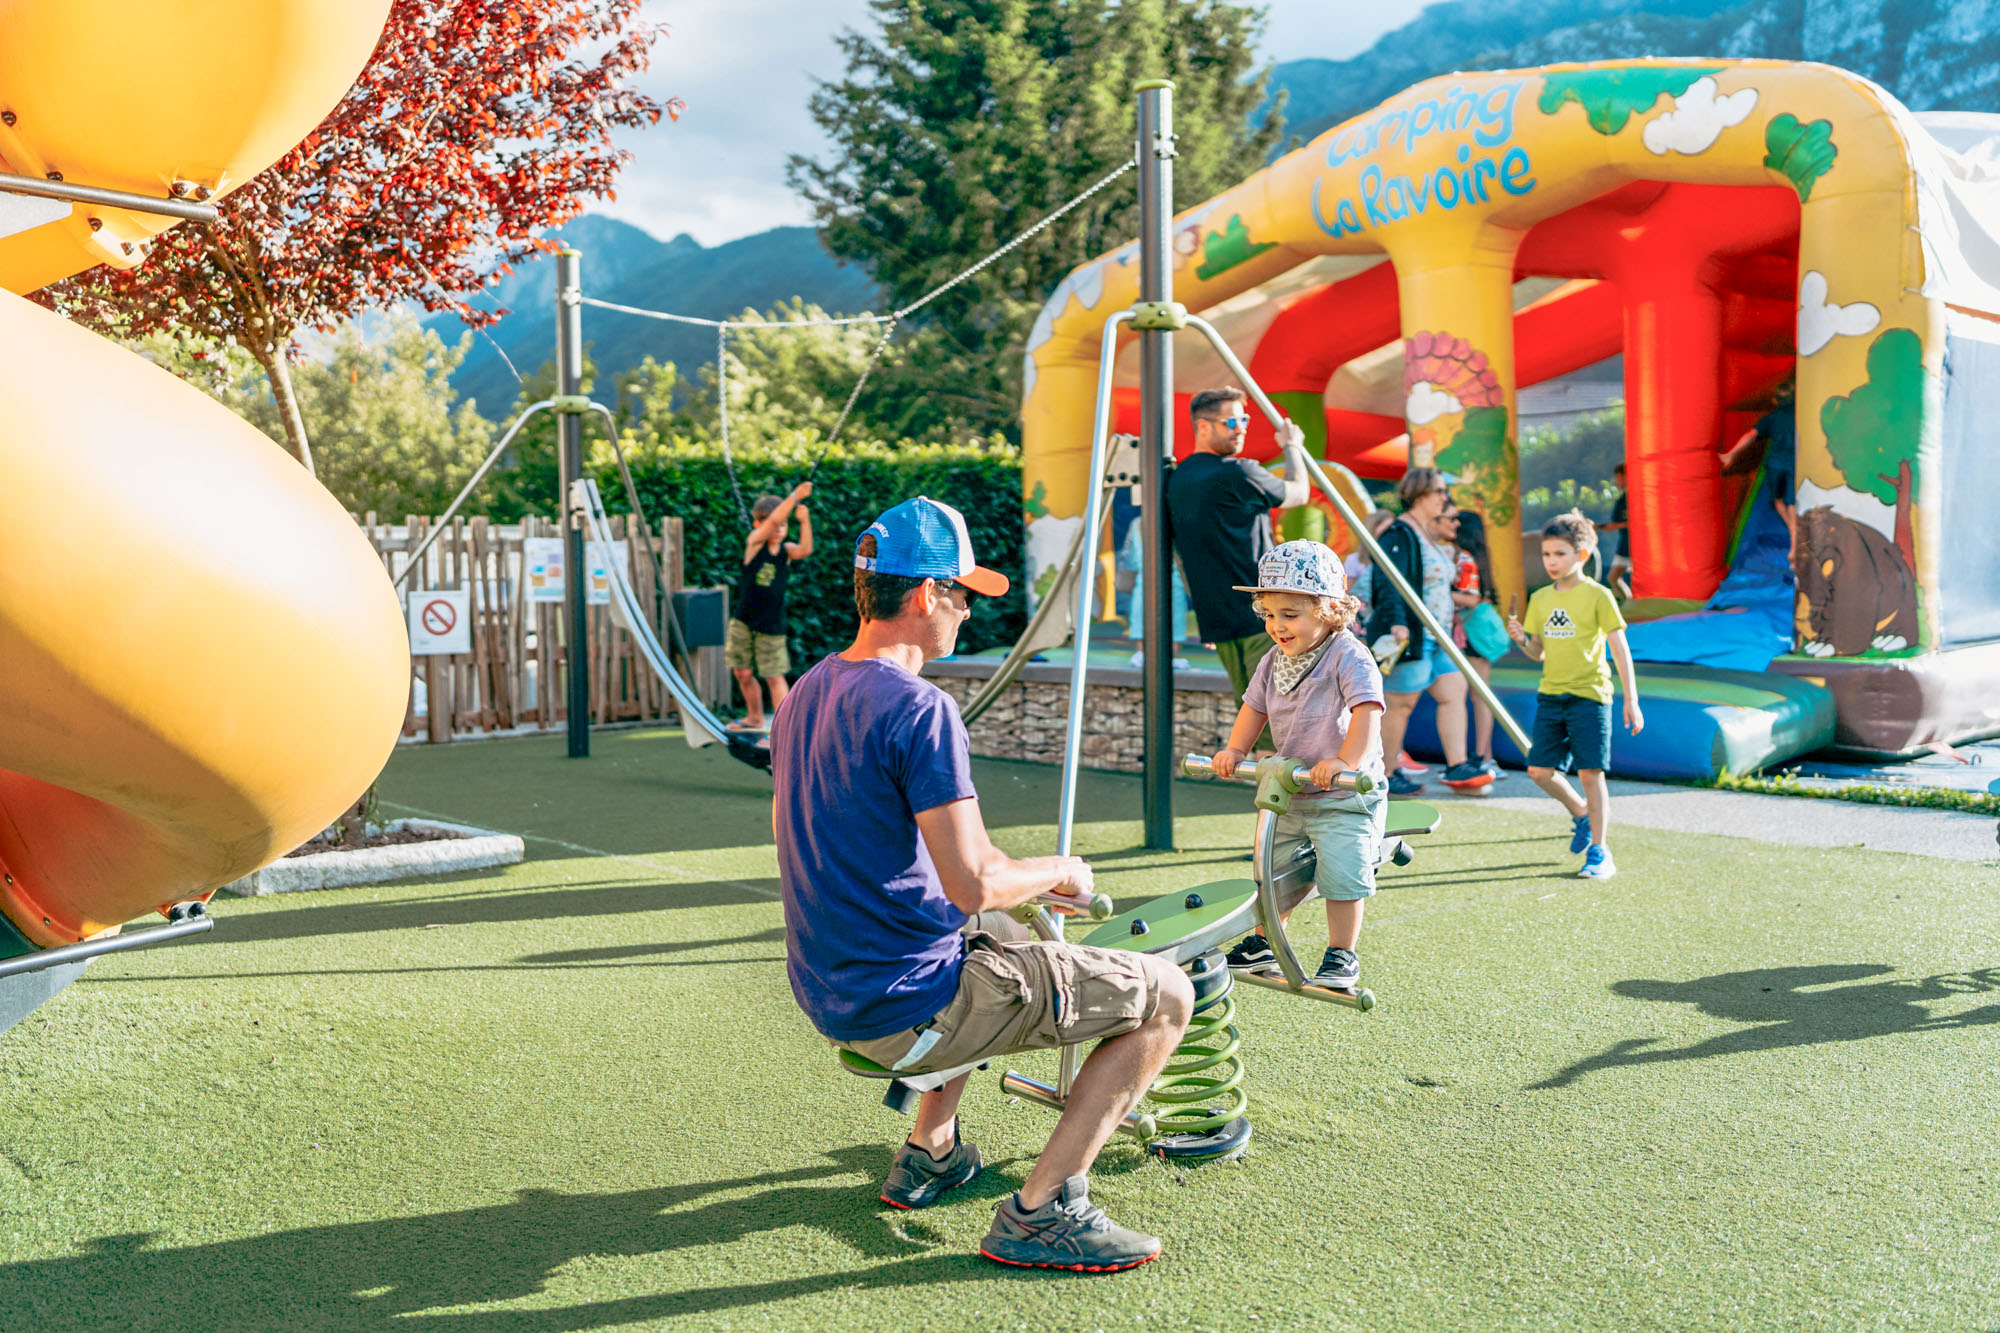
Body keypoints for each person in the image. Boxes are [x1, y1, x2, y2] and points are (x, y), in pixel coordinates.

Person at [770, 495, 1194, 1272]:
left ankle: (931, 1147)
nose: (966, 611)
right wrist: (1060, 869)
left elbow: (884, 849)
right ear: (927, 593)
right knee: (1168, 993)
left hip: (830, 990)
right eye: (962, 594)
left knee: (999, 933)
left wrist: (1007, 889)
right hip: (906, 1006)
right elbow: (974, 879)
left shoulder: (806, 692)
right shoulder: (920, 708)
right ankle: (1044, 1209)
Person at [1207, 541, 1387, 990]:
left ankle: (1342, 954)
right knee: (1273, 870)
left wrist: (1345, 761)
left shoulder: (1349, 654)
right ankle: (1264, 943)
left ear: (1328, 609)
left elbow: (1368, 709)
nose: (1276, 626)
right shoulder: (1273, 660)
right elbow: (1254, 707)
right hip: (1292, 787)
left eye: (1290, 614)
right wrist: (1235, 749)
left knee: (1342, 874)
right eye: (1268, 614)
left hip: (1345, 790)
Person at [1505, 510, 1645, 879]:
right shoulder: (1540, 598)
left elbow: (1620, 648)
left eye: (1560, 554)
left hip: (1591, 697)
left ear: (1581, 556)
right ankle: (1581, 813)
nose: (1551, 561)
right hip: (1551, 696)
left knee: (1590, 773)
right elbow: (1540, 652)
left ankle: (1600, 850)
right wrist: (1521, 640)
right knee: (1538, 771)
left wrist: (1631, 699)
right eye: (1547, 554)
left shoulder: (1599, 596)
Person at [1165, 386, 1312, 703]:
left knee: (1253, 714)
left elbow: (1180, 555)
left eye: (1244, 419)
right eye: (1232, 422)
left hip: (1219, 619)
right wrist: (1292, 448)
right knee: (1278, 716)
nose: (1242, 428)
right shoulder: (1239, 471)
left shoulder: (1175, 480)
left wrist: (1203, 605)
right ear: (1204, 426)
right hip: (1265, 617)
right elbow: (1299, 493)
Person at [1362, 467, 1492, 796]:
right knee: (1399, 702)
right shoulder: (1399, 533)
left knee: (1453, 691)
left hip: (1437, 636)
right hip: (1413, 635)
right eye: (1439, 492)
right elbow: (1388, 579)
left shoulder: (1425, 534)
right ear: (1419, 494)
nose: (1444, 499)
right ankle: (1386, 771)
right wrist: (1396, 621)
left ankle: (1458, 764)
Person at [725, 482, 813, 733]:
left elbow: (806, 549)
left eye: (783, 526)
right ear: (759, 525)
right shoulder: (754, 543)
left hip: (772, 625)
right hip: (743, 621)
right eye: (773, 525)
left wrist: (804, 521)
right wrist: (794, 496)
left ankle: (782, 728)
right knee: (742, 673)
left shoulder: (786, 551)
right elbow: (773, 520)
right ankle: (754, 717)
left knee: (774, 677)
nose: (778, 529)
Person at [1444, 507, 1504, 778]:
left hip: (1470, 631)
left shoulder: (1461, 557)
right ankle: (1484, 756)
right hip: (1480, 630)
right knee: (1481, 696)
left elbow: (1469, 597)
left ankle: (1481, 757)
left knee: (1473, 695)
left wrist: (1435, 590)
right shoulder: (1481, 556)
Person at [1600, 464, 1633, 600]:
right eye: (1617, 478)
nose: (1617, 482)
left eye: (1620, 478)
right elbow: (1616, 524)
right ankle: (1628, 603)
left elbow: (1640, 523)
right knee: (1612, 578)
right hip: (1625, 545)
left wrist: (1616, 526)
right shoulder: (1621, 501)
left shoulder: (1639, 497)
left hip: (1637, 545)